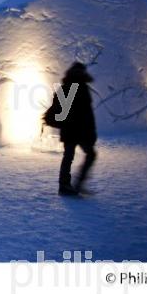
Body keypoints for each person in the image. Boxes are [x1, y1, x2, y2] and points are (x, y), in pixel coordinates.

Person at [51, 62, 97, 196]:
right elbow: (84, 114)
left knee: (69, 157)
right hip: (77, 131)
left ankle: (67, 185)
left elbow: (84, 113)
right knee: (81, 155)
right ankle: (70, 185)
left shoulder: (72, 87)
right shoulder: (76, 88)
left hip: (73, 130)